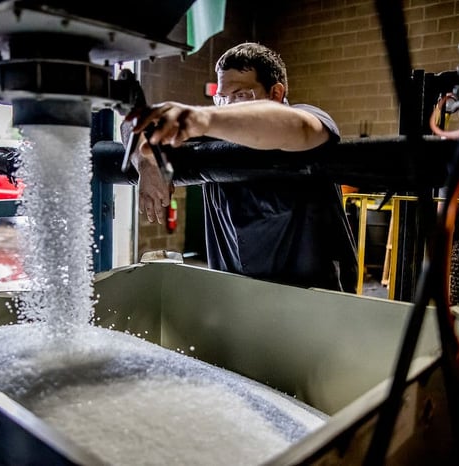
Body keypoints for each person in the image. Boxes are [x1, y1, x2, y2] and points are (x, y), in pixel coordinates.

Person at [123, 42, 358, 293]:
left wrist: (201, 118)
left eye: (241, 95)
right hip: (238, 303)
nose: (226, 106)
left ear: (276, 94)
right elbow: (132, 123)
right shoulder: (214, 134)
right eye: (221, 97)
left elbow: (300, 127)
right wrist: (146, 162)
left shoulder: (304, 118)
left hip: (315, 306)